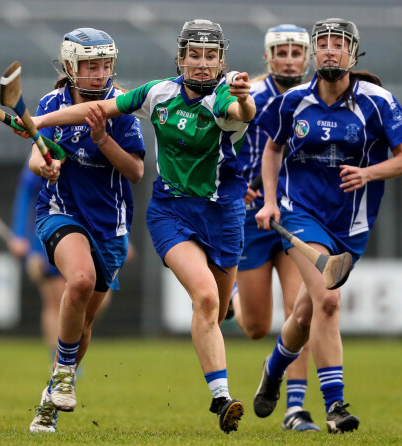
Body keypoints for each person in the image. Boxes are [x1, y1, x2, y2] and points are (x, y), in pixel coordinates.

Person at [27, 19, 256, 434]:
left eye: (210, 57)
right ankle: (220, 397)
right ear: (180, 58)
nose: (202, 65)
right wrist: (40, 133)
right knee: (89, 282)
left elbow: (239, 113)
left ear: (221, 61)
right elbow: (68, 132)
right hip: (148, 213)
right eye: (194, 55)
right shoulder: (154, 93)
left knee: (213, 311)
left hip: (190, 220)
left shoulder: (218, 99)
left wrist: (245, 99)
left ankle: (51, 393)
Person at [252, 18, 402, 434]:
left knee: (306, 312)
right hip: (301, 213)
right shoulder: (294, 101)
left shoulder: (377, 101)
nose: (329, 51)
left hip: (352, 224)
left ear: (353, 53)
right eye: (322, 43)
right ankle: (335, 406)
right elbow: (272, 150)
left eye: (338, 45)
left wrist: (368, 174)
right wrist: (271, 201)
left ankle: (273, 369)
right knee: (328, 301)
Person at [21, 28, 146, 434]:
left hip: (110, 227)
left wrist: (102, 139)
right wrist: (48, 165)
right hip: (61, 212)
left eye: (105, 64)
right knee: (79, 280)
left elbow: (136, 171)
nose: (99, 73)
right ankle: (61, 376)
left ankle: (50, 400)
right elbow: (34, 161)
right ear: (71, 67)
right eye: (91, 65)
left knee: (84, 325)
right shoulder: (51, 103)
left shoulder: (121, 107)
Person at [230, 24, 319, 432]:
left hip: (294, 215)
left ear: (307, 58)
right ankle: (233, 300)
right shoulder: (251, 98)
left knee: (300, 311)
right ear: (268, 57)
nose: (288, 59)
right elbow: (219, 145)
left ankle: (295, 409)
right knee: (256, 327)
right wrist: (236, 183)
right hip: (252, 217)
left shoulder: (318, 98)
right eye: (280, 52)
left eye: (295, 52)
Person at [8, 160, 66, 356]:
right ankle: (58, 357)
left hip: (81, 233)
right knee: (55, 300)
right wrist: (19, 234)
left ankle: (67, 352)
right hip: (45, 239)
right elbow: (25, 193)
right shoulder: (43, 149)